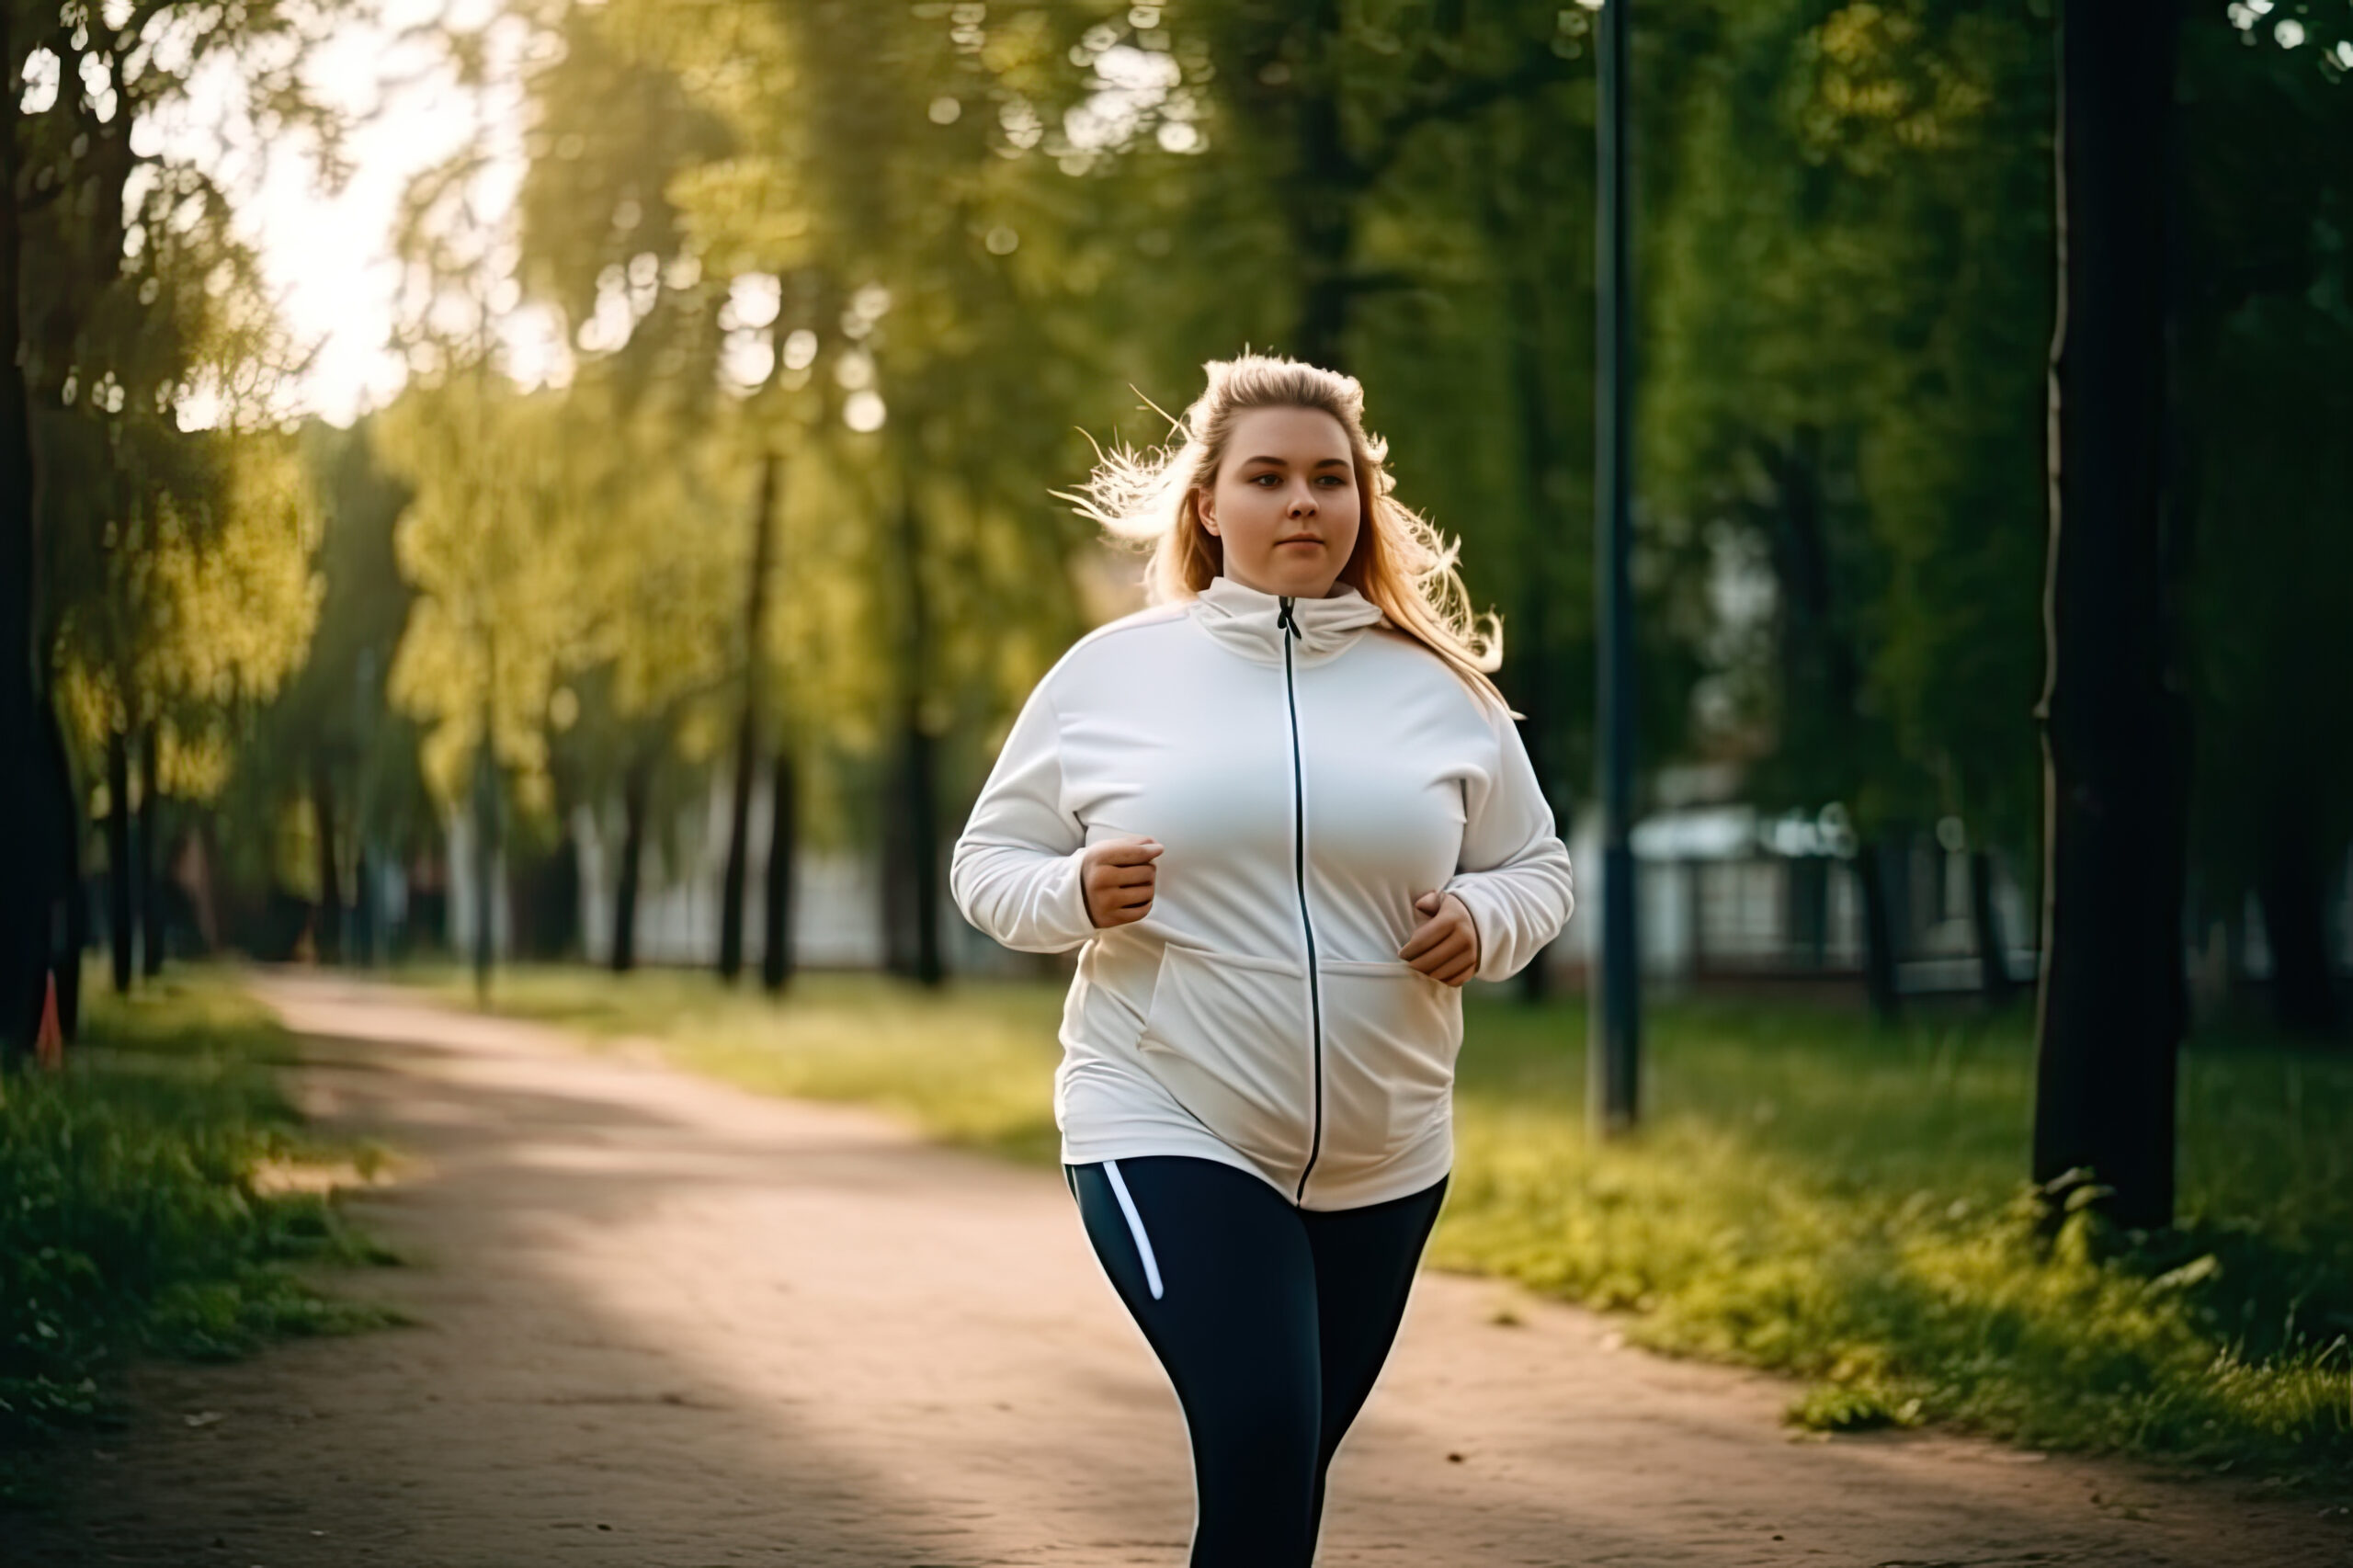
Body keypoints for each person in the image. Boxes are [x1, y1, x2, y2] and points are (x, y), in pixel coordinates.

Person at [949, 352, 1574, 1566]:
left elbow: (1537, 867)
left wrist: (1486, 922)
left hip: (1387, 1146)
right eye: (1271, 476)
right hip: (1166, 1111)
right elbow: (988, 861)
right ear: (1208, 503)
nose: (1304, 502)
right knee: (1260, 1432)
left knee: (1277, 1484)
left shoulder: (1442, 692)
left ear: (1363, 504)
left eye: (1331, 479)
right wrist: (1073, 888)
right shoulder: (1112, 675)